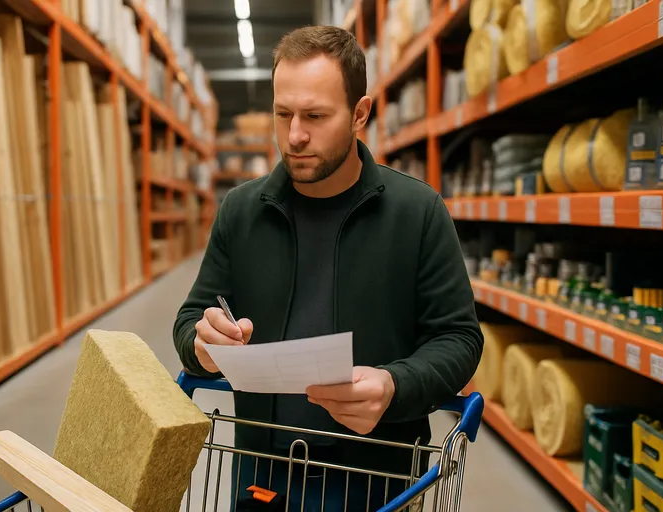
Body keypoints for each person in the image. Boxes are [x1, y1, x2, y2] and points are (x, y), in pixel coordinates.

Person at [173, 25, 483, 511]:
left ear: (360, 114)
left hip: (376, 475)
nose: (295, 135)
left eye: (316, 116)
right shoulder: (241, 211)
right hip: (262, 476)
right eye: (283, 114)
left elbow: (460, 339)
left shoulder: (417, 213)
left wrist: (395, 385)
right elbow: (190, 320)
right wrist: (203, 343)